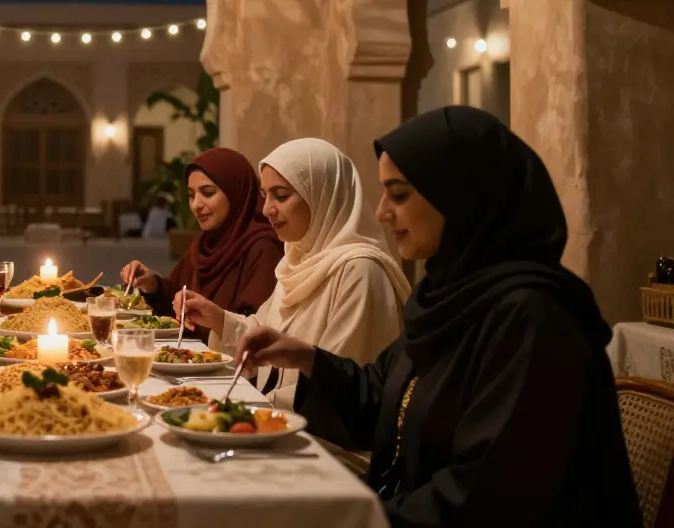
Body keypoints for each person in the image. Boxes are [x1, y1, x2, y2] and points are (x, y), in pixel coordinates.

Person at [237, 106, 641, 527]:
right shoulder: (446, 293)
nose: (381, 212)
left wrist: (359, 520)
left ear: (460, 195)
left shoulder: (534, 319)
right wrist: (306, 357)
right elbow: (382, 399)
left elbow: (488, 495)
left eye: (399, 195)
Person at [175, 138, 410, 409]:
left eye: (282, 196)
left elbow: (338, 381)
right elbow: (268, 334)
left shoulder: (360, 271)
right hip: (277, 414)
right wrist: (218, 319)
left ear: (322, 195)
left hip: (317, 428)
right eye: (265, 195)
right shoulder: (296, 257)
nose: (267, 209)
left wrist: (251, 409)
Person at [120, 147, 283, 335]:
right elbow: (176, 299)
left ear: (236, 192)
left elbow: (253, 329)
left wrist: (212, 318)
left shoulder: (263, 247)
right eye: (191, 195)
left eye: (208, 193)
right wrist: (151, 284)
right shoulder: (207, 242)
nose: (196, 205)